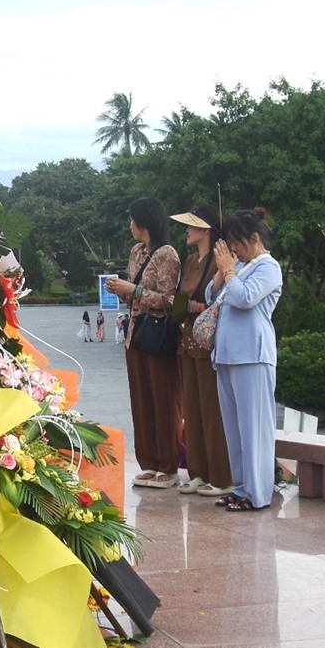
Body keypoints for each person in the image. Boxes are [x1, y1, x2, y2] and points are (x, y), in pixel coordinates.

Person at [102, 198, 182, 489]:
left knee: (163, 399)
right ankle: (148, 461)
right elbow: (135, 292)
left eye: (132, 219)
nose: (129, 225)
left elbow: (171, 300)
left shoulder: (167, 255)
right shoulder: (136, 251)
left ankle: (168, 465)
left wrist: (133, 289)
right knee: (141, 401)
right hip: (135, 334)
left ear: (144, 221)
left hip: (158, 333)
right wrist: (121, 289)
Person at [208, 209, 283, 512]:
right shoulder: (239, 267)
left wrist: (229, 270)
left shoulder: (268, 267)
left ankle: (258, 493)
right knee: (235, 428)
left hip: (253, 355)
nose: (234, 250)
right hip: (227, 355)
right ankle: (240, 488)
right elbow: (213, 296)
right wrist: (222, 269)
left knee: (254, 427)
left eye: (237, 243)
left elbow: (243, 298)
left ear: (255, 238)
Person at [175, 203, 233, 498]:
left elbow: (218, 301)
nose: (186, 230)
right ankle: (197, 471)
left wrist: (192, 306)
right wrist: (187, 307)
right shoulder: (189, 261)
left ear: (205, 229)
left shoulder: (217, 261)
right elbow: (180, 301)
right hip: (186, 340)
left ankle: (221, 475)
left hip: (209, 342)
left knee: (212, 411)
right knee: (193, 411)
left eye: (192, 225)